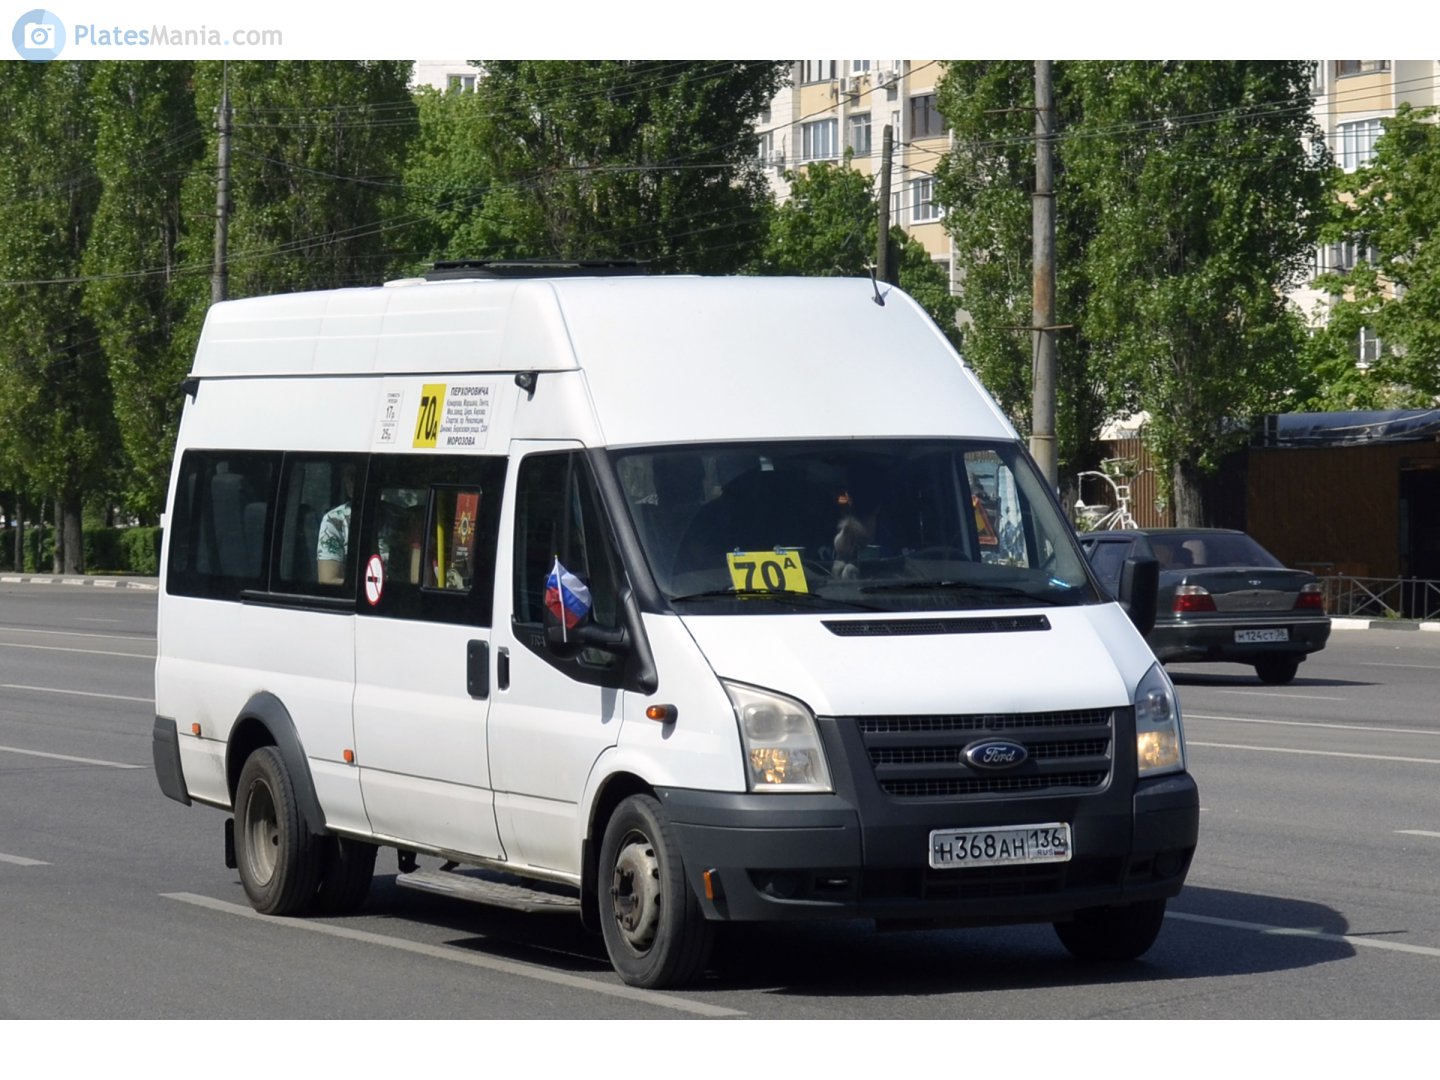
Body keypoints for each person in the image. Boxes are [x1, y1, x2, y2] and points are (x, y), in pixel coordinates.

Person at [317, 468, 355, 584]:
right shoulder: (335, 520)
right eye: (350, 477)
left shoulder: (398, 517)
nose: (351, 482)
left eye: (354, 476)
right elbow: (328, 580)